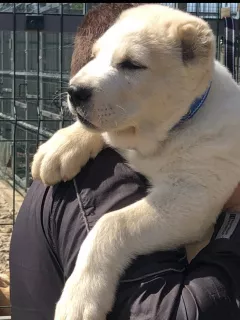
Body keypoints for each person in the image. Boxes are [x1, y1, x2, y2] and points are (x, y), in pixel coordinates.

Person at [10, 3, 240, 320]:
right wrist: (84, 133)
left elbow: (192, 205)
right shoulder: (147, 131)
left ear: (192, 57)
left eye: (130, 64)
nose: (82, 81)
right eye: (96, 56)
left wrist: (109, 241)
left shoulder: (222, 125)